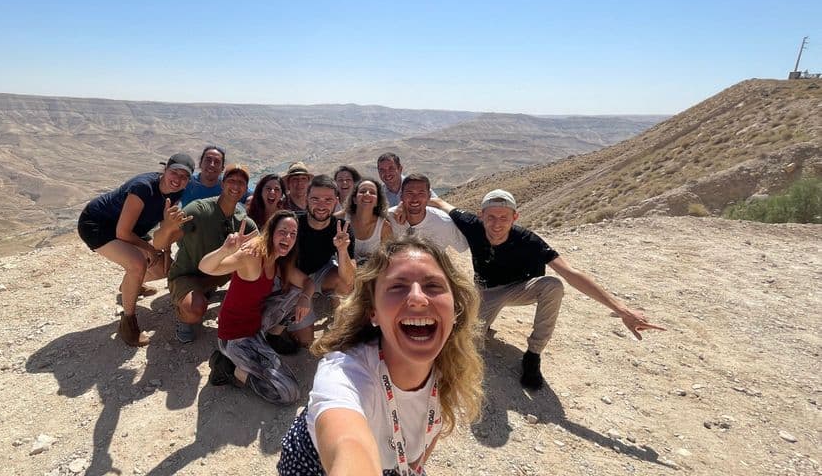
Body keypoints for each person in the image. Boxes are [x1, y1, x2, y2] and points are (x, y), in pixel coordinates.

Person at [277, 237, 485, 476]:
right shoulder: (343, 373)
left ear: (455, 309)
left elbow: (428, 430)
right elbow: (347, 442)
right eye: (397, 287)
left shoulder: (449, 366)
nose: (418, 298)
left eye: (433, 286)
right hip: (311, 465)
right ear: (373, 312)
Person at [429, 189, 666, 389]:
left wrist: (622, 310)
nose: (497, 224)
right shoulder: (471, 225)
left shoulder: (529, 241)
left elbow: (571, 274)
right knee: (467, 341)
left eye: (504, 217)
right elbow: (441, 203)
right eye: (491, 217)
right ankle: (484, 323)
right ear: (481, 216)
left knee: (553, 285)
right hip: (485, 293)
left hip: (521, 288)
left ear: (515, 217)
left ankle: (533, 356)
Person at [77, 153, 195, 347]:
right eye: (175, 172)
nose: (178, 179)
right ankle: (128, 322)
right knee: (138, 264)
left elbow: (164, 224)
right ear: (165, 170)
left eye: (184, 176)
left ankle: (130, 286)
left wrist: (164, 252)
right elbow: (122, 232)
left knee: (163, 268)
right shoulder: (143, 187)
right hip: (98, 225)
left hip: (130, 229)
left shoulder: (175, 192)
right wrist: (150, 249)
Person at [199, 210, 315, 405]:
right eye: (283, 231)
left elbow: (307, 283)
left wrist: (305, 298)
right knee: (289, 393)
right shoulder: (252, 256)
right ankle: (228, 369)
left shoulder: (278, 262)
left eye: (293, 234)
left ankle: (272, 338)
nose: (288, 237)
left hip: (256, 324)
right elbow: (205, 267)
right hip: (236, 337)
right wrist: (225, 250)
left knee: (296, 292)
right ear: (270, 231)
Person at [168, 164, 257, 343]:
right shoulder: (198, 210)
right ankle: (183, 312)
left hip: (217, 274)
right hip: (187, 274)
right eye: (231, 180)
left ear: (246, 188)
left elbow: (259, 252)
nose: (236, 186)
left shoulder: (243, 221)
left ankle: (209, 292)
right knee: (195, 310)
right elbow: (167, 236)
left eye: (241, 182)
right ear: (222, 184)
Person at [288, 175, 355, 347]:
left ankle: (340, 329)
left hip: (321, 273)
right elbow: (279, 265)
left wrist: (342, 250)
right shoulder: (292, 224)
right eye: (315, 199)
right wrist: (305, 292)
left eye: (328, 200)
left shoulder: (342, 229)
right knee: (305, 341)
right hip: (293, 279)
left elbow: (349, 279)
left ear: (336, 202)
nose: (321, 205)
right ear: (306, 200)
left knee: (344, 282)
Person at [387, 174, 468, 255]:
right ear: (401, 196)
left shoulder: (444, 223)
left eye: (421, 193)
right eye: (409, 193)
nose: (415, 199)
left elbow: (464, 249)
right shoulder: (389, 218)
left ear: (429, 196)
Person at [341, 178, 392, 264]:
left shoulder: (384, 227)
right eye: (362, 191)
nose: (367, 194)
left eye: (372, 192)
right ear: (354, 199)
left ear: (377, 202)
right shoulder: (342, 218)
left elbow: (388, 257)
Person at [180, 145, 251, 206]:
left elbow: (252, 196)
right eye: (208, 160)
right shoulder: (187, 183)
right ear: (200, 163)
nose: (212, 165)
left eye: (217, 162)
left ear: (222, 168)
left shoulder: (228, 186)